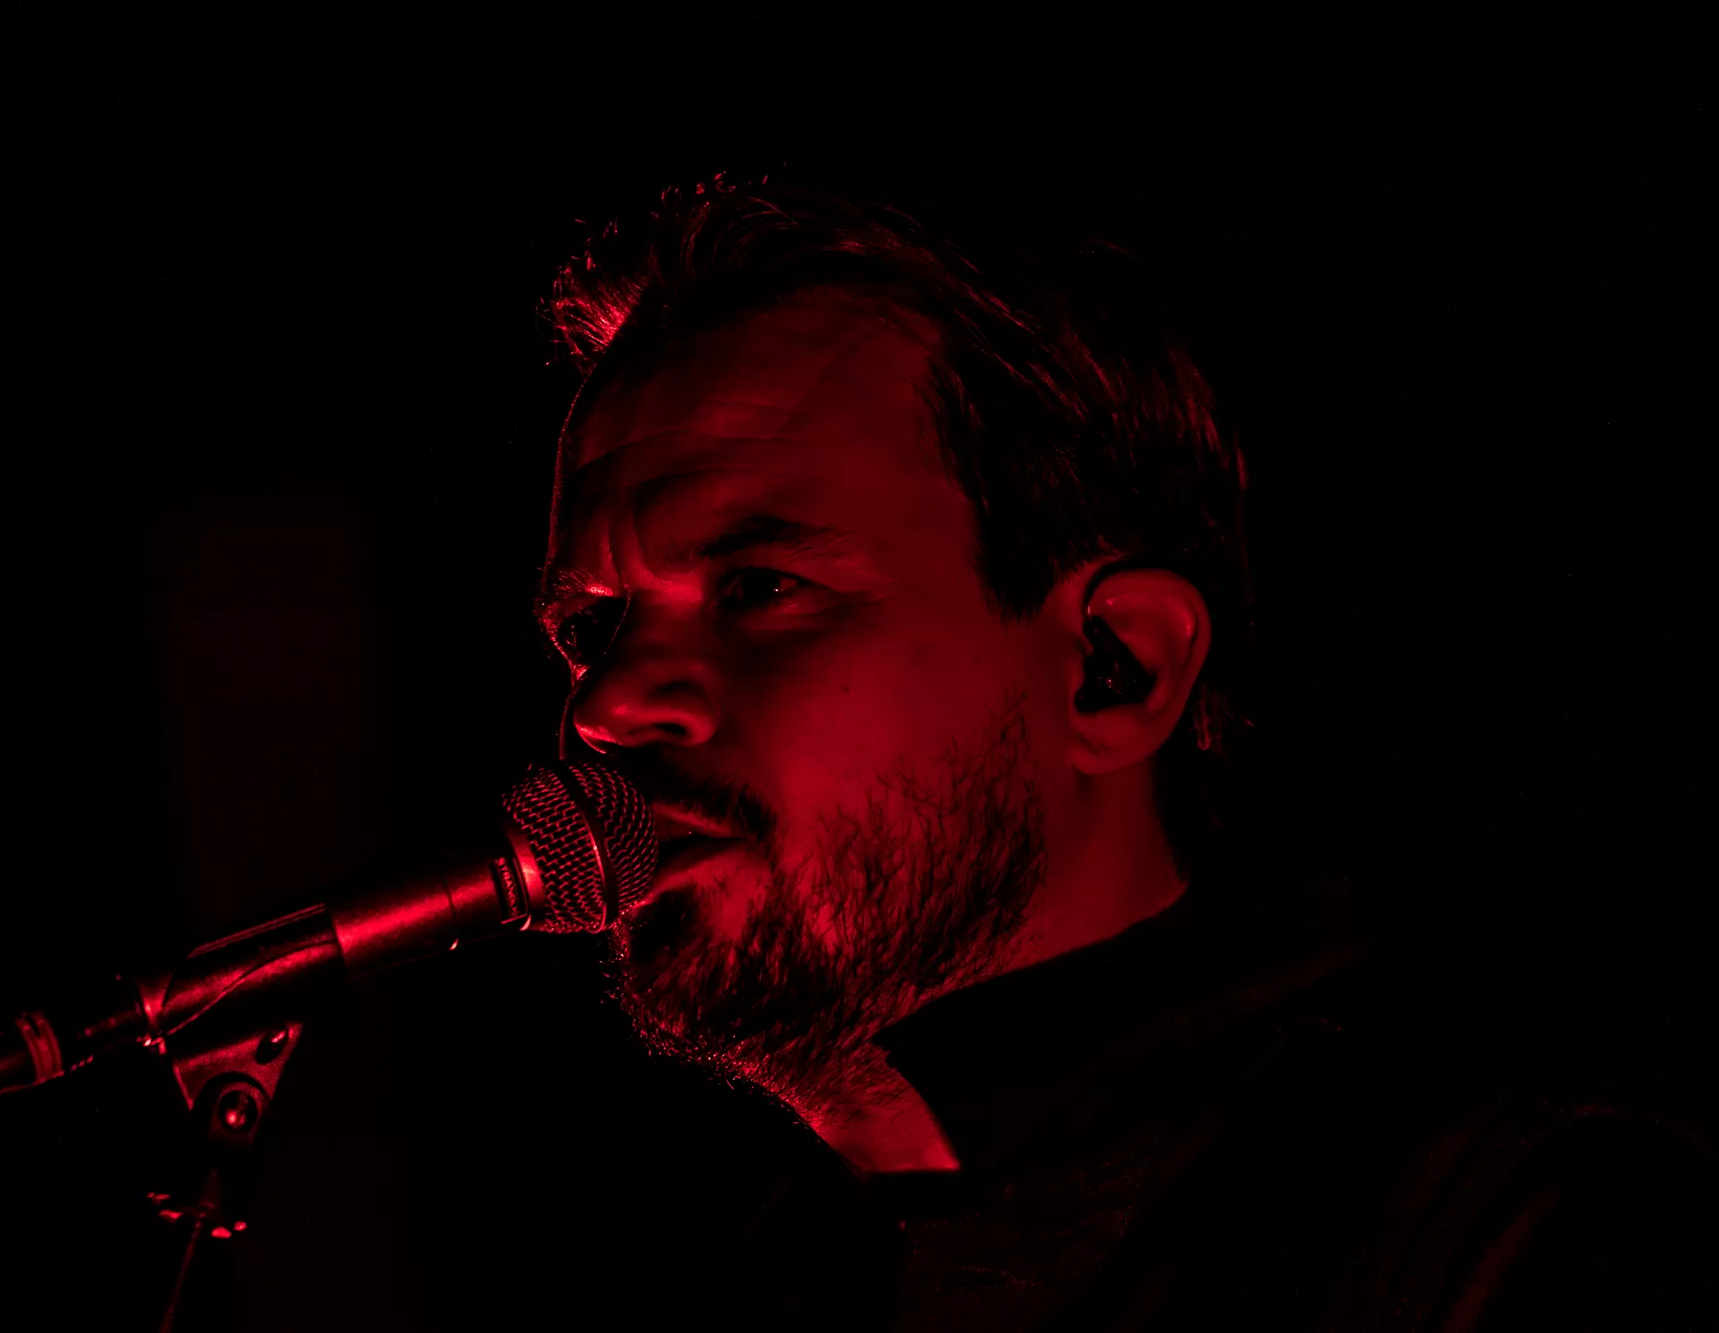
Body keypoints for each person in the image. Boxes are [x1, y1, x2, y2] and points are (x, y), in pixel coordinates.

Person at [534, 180, 1712, 1330]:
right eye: (590, 627)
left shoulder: (1535, 1244)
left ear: (1115, 670)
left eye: (760, 587)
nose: (607, 702)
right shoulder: (795, 1267)